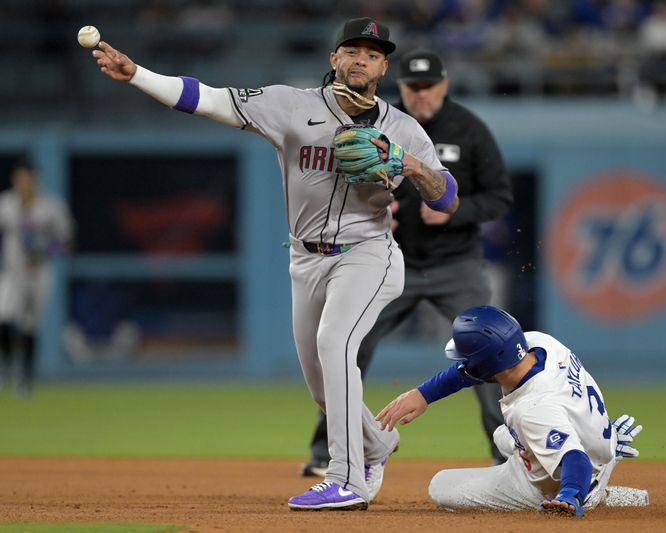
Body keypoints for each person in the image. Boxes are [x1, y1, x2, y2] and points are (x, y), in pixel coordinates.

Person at [90, 17, 459, 511]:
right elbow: (210, 98)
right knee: (322, 387)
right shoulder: (291, 104)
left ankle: (345, 479)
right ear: (334, 59)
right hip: (305, 260)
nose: (361, 60)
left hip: (368, 254)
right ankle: (377, 444)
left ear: (383, 66)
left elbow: (446, 199)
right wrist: (137, 73)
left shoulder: (403, 129)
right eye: (352, 50)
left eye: (372, 54)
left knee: (335, 344)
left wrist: (408, 164)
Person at [301, 48, 512, 477]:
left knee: (493, 352)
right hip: (391, 262)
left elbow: (500, 196)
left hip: (457, 267)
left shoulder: (469, 130)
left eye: (429, 85)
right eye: (413, 87)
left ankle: (505, 454)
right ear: (403, 88)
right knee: (345, 347)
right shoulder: (383, 125)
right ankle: (328, 452)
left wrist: (458, 210)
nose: (421, 94)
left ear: (444, 85)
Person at [376, 306, 648, 516]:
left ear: (487, 365)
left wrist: (570, 496)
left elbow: (574, 457)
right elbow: (474, 369)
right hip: (596, 436)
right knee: (502, 435)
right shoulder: (541, 344)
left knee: (440, 486)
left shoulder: (532, 409)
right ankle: (600, 455)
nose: (465, 364)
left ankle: (591, 495)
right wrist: (424, 394)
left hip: (570, 475)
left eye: (469, 359)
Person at [0, 158, 74, 398]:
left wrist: (45, 246)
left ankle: (25, 378)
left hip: (40, 271)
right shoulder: (6, 204)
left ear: (36, 180)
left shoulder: (50, 206)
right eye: (20, 179)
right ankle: (7, 365)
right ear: (15, 180)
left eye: (29, 179)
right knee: (4, 316)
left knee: (31, 324)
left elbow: (67, 241)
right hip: (12, 272)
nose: (25, 183)